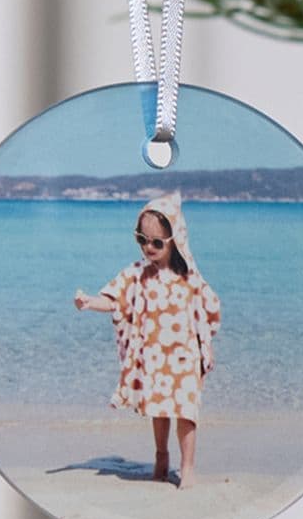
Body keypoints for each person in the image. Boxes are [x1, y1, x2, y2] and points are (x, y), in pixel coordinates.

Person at [72, 194, 221, 488]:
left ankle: (187, 467)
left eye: (156, 242)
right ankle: (161, 456)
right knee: (160, 408)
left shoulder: (189, 277)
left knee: (187, 412)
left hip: (186, 355)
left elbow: (206, 311)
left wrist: (207, 345)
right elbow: (114, 298)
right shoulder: (137, 274)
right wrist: (90, 302)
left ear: (174, 239)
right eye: (142, 239)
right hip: (155, 356)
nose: (148, 248)